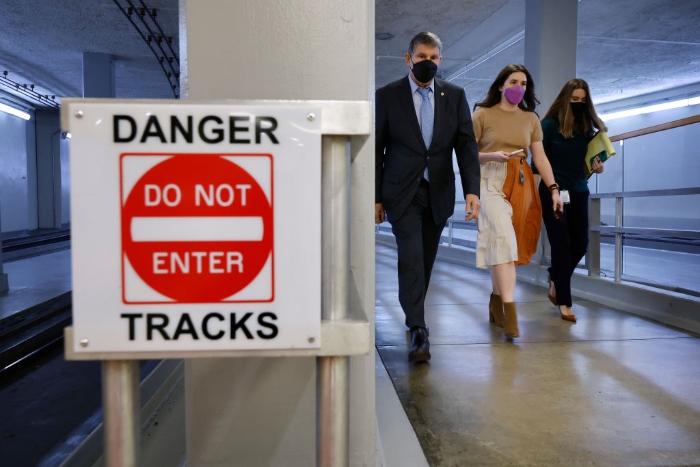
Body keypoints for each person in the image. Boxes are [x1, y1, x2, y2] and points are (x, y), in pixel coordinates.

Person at [375, 31, 481, 362]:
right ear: (408, 59)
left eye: (434, 58)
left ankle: (414, 313)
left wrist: (472, 190)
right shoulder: (388, 96)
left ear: (440, 60)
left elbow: (466, 145)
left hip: (438, 191)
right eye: (421, 57)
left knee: (425, 260)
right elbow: (377, 149)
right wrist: (376, 197)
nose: (428, 63)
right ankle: (419, 330)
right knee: (411, 256)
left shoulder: (455, 95)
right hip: (401, 192)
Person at [472, 64, 563, 339]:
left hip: (522, 179)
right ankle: (511, 310)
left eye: (524, 83)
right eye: (514, 81)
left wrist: (554, 188)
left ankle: (496, 299)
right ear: (501, 85)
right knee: (502, 236)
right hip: (491, 177)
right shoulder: (482, 114)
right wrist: (492, 156)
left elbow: (541, 157)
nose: (519, 87)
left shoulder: (531, 119)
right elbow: (467, 154)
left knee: (509, 245)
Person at [537, 79, 607, 322]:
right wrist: (552, 184)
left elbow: (587, 161)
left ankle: (556, 276)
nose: (578, 104)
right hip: (552, 191)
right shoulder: (548, 125)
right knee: (562, 244)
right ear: (565, 99)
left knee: (580, 244)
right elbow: (537, 159)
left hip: (578, 190)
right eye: (574, 100)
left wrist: (596, 167)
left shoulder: (588, 128)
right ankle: (565, 301)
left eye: (583, 100)